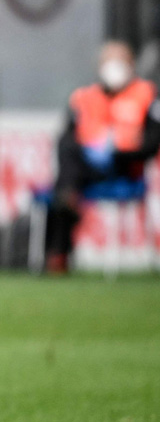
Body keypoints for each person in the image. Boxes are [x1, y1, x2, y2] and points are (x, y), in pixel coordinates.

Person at [43, 40, 160, 273]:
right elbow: (67, 136)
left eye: (120, 61)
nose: (114, 67)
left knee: (65, 184)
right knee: (67, 157)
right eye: (109, 61)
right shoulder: (85, 97)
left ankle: (58, 249)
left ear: (132, 64)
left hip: (124, 166)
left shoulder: (146, 95)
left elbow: (153, 142)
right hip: (88, 167)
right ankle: (59, 247)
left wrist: (120, 152)